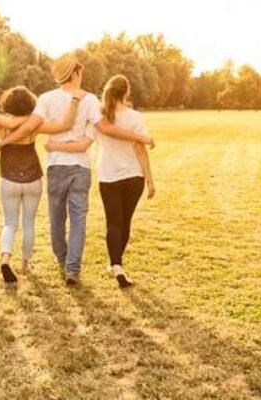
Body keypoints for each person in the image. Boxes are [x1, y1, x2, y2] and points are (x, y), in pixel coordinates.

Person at [0, 55, 153, 286]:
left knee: (57, 218)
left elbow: (30, 126)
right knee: (78, 219)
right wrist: (140, 137)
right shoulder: (88, 100)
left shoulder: (46, 98)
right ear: (76, 73)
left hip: (56, 166)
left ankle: (62, 257)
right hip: (80, 166)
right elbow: (106, 128)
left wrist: (1, 143)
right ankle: (72, 268)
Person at [0, 87, 78, 284]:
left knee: (9, 223)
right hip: (33, 178)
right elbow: (63, 125)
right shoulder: (34, 124)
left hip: (9, 179)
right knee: (28, 223)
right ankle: (25, 264)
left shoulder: (1, 125)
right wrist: (74, 102)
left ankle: (5, 258)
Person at [96, 75, 155, 288]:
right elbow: (140, 149)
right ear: (126, 92)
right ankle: (116, 264)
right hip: (133, 176)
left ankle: (116, 265)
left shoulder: (101, 116)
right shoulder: (135, 117)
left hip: (108, 175)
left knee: (113, 221)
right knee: (125, 221)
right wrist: (150, 180)